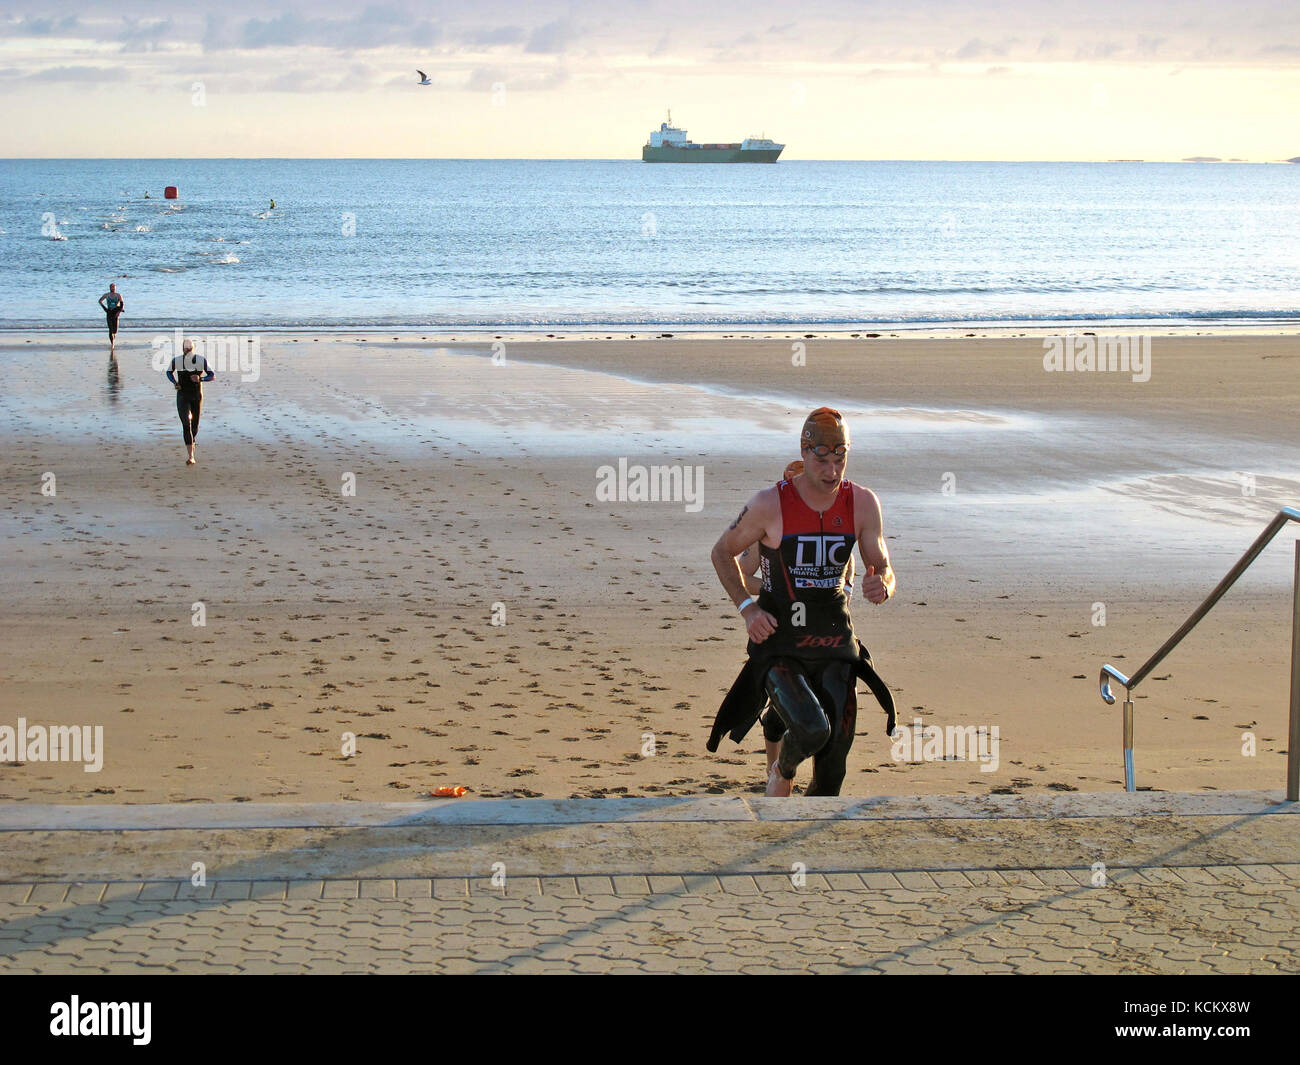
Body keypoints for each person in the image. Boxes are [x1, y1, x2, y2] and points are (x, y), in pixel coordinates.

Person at [710, 407, 896, 796]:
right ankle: (782, 768)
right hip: (781, 646)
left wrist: (882, 584)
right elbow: (722, 553)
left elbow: (881, 565)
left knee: (831, 780)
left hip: (834, 644)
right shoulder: (768, 505)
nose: (832, 471)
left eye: (840, 459)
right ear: (804, 452)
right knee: (812, 729)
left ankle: (801, 850)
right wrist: (748, 608)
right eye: (822, 459)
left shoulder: (862, 503)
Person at [165, 338, 214, 465]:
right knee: (186, 424)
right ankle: (191, 456)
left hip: (197, 395)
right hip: (182, 395)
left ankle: (192, 441)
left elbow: (212, 375)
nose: (188, 351)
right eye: (186, 349)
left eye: (190, 349)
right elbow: (169, 372)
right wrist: (174, 382)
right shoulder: (176, 361)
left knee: (194, 426)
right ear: (182, 349)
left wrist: (200, 379)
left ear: (193, 349)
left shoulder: (201, 360)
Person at [98, 284, 124, 351]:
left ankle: (113, 338)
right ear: (109, 288)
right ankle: (112, 343)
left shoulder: (118, 295)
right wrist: (105, 309)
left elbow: (122, 304)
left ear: (115, 288)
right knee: (110, 329)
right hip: (109, 312)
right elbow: (100, 301)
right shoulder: (106, 295)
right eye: (111, 287)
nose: (112, 288)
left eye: (114, 287)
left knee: (115, 330)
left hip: (115, 313)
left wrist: (119, 312)